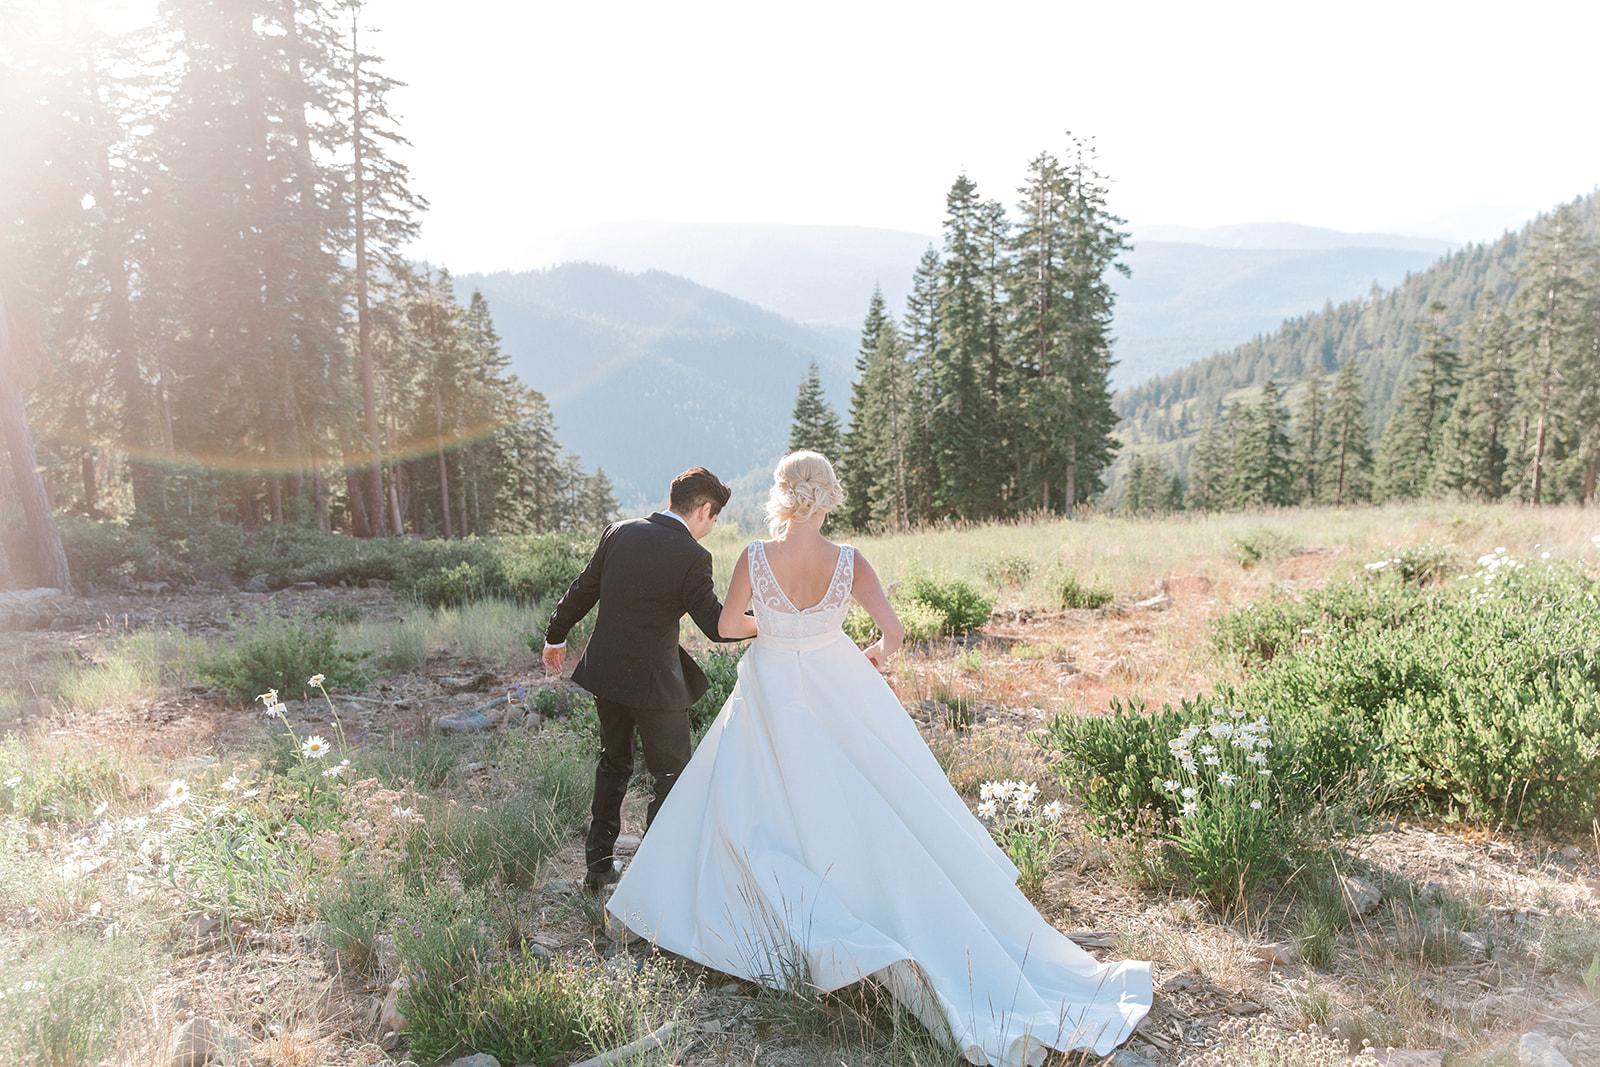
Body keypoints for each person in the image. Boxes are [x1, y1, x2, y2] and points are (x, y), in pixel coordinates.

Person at [604, 450, 1152, 1065]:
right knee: (872, 801)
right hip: (840, 683)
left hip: (774, 690)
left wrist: (780, 626)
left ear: (782, 494)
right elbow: (893, 632)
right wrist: (867, 654)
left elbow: (728, 627)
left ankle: (752, 929)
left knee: (754, 802)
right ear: (828, 495)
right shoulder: (850, 561)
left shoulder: (755, 558)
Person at [542, 466, 754, 893]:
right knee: (672, 778)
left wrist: (555, 635)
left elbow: (584, 588)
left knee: (613, 763)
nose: (712, 527)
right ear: (704, 509)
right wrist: (767, 622)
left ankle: (598, 868)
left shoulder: (619, 532)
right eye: (714, 518)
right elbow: (717, 627)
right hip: (656, 687)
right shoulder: (693, 556)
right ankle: (653, 878)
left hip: (607, 675)